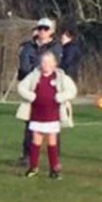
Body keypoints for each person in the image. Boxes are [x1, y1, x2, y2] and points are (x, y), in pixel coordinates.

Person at [16, 50, 76, 179]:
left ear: (54, 64)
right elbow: (21, 87)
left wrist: (60, 97)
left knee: (52, 141)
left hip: (52, 114)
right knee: (35, 141)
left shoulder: (60, 77)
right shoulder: (34, 76)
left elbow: (72, 90)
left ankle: (54, 169)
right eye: (43, 62)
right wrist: (31, 96)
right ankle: (33, 167)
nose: (46, 65)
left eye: (49, 62)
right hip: (37, 114)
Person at [16, 18, 64, 164]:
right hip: (32, 88)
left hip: (50, 89)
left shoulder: (56, 47)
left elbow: (51, 66)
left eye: (46, 28)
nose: (42, 31)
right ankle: (27, 155)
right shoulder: (28, 46)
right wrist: (36, 70)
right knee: (30, 124)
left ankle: (55, 159)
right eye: (40, 28)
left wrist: (39, 67)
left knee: (53, 126)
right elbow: (24, 66)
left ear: (51, 31)